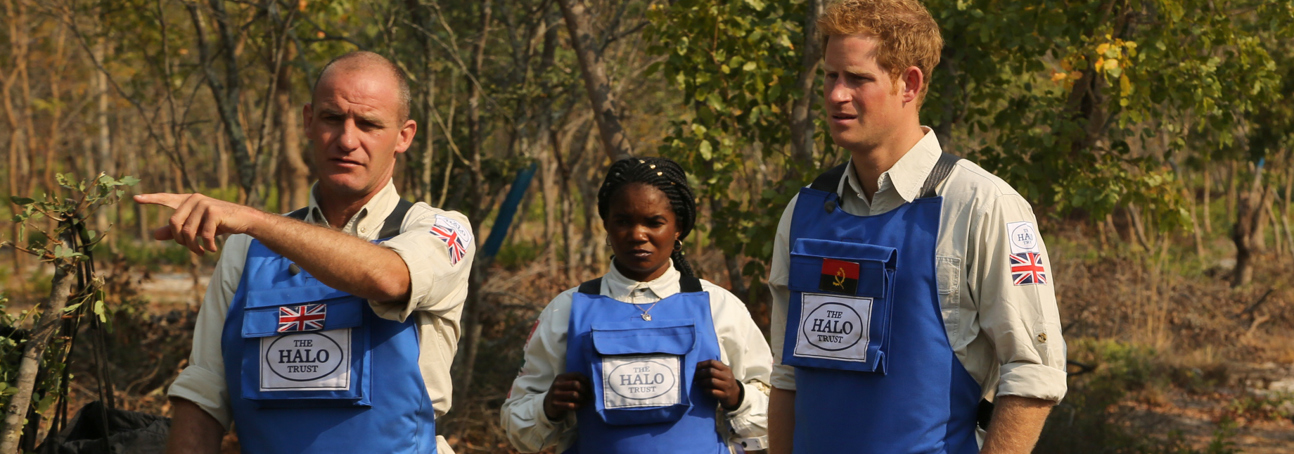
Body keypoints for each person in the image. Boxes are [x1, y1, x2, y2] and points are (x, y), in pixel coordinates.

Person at [766, 1, 1067, 453]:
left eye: (858, 79)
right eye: (831, 76)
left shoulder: (981, 205)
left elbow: (1034, 371)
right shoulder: (805, 210)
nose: (835, 95)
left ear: (909, 83)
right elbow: (786, 376)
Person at [143, 51, 473, 454]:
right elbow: (205, 389)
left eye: (369, 124)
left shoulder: (439, 229)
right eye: (333, 118)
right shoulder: (247, 248)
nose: (348, 140)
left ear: (403, 136)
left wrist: (254, 220)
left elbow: (388, 276)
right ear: (308, 121)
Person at [501, 157, 772, 454]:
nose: (637, 235)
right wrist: (548, 406)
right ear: (606, 225)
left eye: (654, 222)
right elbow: (518, 429)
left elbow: (775, 415)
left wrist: (737, 396)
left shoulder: (719, 306)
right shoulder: (567, 310)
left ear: (678, 227)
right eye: (623, 222)